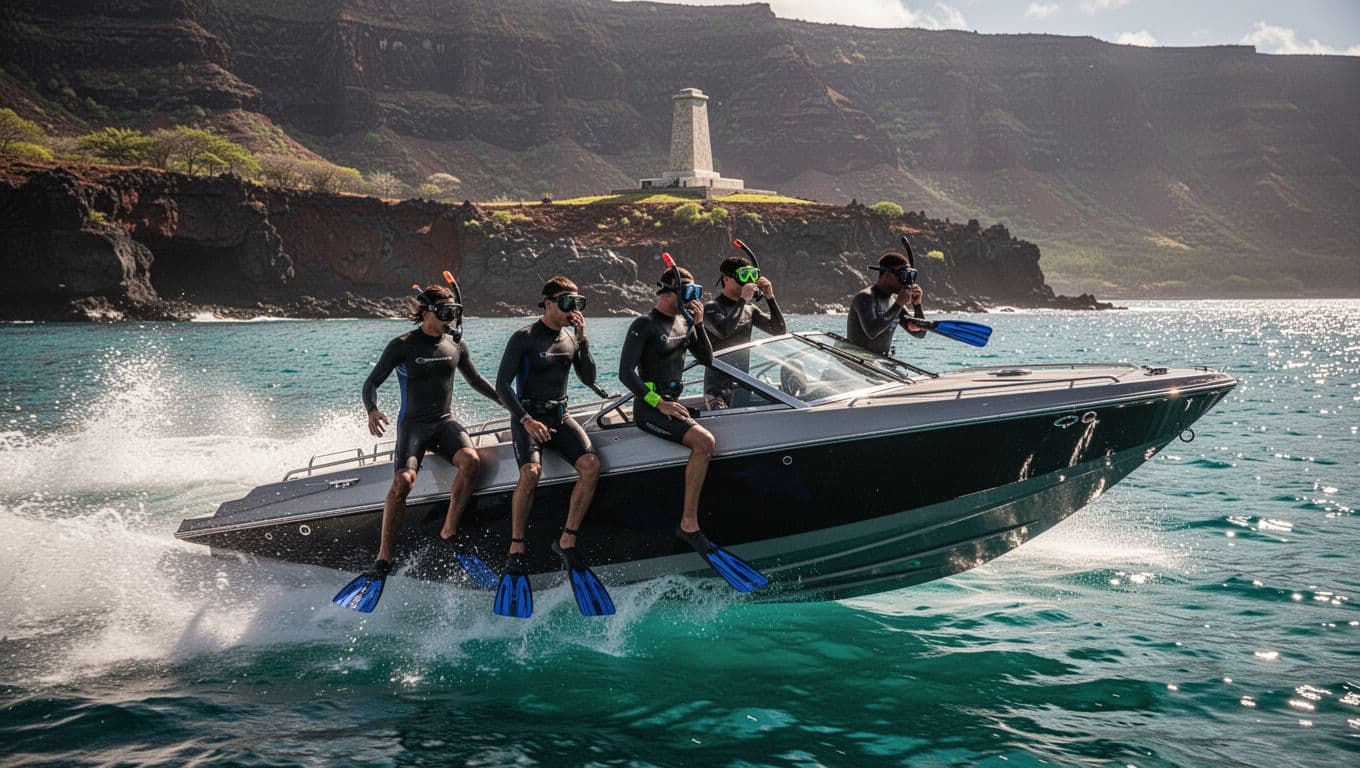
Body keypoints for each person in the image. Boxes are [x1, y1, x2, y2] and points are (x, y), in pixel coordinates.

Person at [618, 265, 767, 592]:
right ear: (668, 293)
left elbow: (708, 357)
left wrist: (698, 324)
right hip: (651, 407)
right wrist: (658, 402)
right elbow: (627, 375)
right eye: (688, 293)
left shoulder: (685, 322)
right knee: (703, 442)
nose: (694, 299)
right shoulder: (644, 325)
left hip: (675, 402)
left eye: (697, 293)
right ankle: (688, 523)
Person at [362, 284, 501, 582]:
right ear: (427, 311)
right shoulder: (402, 345)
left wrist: (509, 404)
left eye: (454, 311)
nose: (450, 317)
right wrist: (372, 410)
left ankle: (449, 530)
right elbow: (372, 382)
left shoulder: (455, 346)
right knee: (403, 481)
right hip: (413, 425)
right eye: (444, 311)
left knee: (470, 461)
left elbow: (476, 380)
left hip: (443, 423)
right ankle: (384, 555)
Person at [490, 276, 612, 618]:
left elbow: (588, 379)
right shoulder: (524, 338)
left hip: (561, 416)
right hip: (529, 417)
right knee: (531, 471)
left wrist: (584, 339)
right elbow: (502, 385)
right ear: (547, 302)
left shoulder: (570, 339)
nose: (572, 309)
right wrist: (526, 419)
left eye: (578, 302)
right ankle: (517, 546)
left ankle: (568, 539)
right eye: (566, 301)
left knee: (590, 466)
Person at [702, 255, 785, 408]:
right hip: (717, 392)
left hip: (742, 384)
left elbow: (779, 331)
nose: (748, 281)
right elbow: (723, 331)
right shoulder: (711, 308)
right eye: (743, 276)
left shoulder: (750, 309)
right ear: (726, 279)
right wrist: (742, 300)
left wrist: (770, 297)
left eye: (751, 276)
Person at [846, 252, 927, 355]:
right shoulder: (865, 297)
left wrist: (917, 305)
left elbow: (920, 333)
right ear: (887, 275)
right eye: (903, 276)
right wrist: (898, 304)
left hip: (878, 364)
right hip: (854, 365)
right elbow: (872, 331)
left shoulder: (895, 303)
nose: (906, 282)